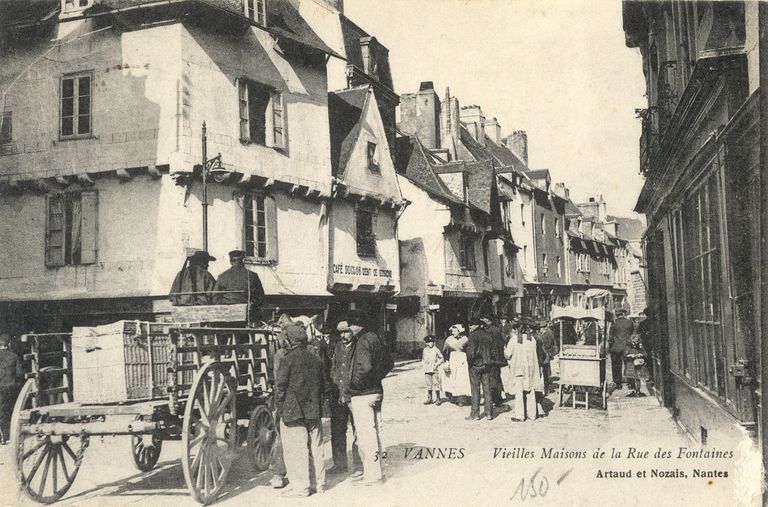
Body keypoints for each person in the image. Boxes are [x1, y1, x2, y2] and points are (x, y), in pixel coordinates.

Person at [333, 312, 393, 486]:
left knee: (366, 437)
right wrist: (376, 379)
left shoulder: (362, 341)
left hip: (362, 394)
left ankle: (373, 476)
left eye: (350, 326)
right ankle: (379, 471)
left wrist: (353, 387)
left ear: (356, 325)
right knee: (376, 433)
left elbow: (364, 368)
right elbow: (389, 363)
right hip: (376, 391)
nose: (349, 330)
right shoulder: (375, 338)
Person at [274, 321, 326, 497]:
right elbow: (323, 385)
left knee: (296, 450)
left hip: (293, 412)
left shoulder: (287, 359)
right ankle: (319, 484)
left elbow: (280, 387)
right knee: (316, 448)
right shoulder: (316, 359)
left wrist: (280, 408)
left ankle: (301, 488)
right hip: (313, 411)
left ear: (289, 340)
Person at [505, 319, 543, 422]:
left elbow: (507, 355)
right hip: (530, 369)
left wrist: (505, 350)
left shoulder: (514, 340)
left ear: (517, 329)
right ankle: (532, 414)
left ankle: (520, 415)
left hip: (518, 369)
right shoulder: (532, 340)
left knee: (519, 392)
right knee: (530, 391)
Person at [213, 250, 265, 322]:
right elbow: (260, 296)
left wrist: (224, 309)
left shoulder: (222, 276)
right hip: (247, 316)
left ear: (231, 261)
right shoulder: (252, 275)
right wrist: (252, 307)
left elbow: (215, 297)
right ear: (243, 261)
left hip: (227, 315)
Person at [465, 317, 497, 421]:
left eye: (471, 325)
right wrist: (490, 361)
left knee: (475, 390)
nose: (470, 327)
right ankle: (489, 414)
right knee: (487, 390)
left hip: (475, 366)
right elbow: (494, 351)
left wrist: (470, 364)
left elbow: (470, 353)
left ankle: (475, 414)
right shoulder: (488, 335)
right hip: (487, 365)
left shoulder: (473, 336)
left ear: (476, 326)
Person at [441, 325, 471, 406]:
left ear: (459, 331)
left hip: (462, 359)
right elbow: (444, 351)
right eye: (452, 331)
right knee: (453, 378)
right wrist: (446, 361)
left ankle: (462, 399)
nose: (453, 333)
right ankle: (454, 398)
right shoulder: (449, 340)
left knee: (462, 379)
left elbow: (469, 350)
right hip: (453, 359)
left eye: (455, 331)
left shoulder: (465, 339)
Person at [0, 333, 21, 443]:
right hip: (9, 388)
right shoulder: (14, 356)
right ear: (8, 344)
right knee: (7, 410)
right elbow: (19, 374)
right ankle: (7, 436)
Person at [609, 308, 634, 389]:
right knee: (629, 364)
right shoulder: (629, 322)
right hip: (627, 347)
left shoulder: (614, 323)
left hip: (616, 347)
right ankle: (631, 383)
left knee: (616, 366)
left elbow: (610, 337)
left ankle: (618, 383)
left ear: (616, 315)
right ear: (623, 314)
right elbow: (632, 334)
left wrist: (610, 346)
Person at [623, 333, 649, 397]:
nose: (635, 344)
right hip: (631, 364)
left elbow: (645, 354)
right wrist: (630, 355)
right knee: (632, 378)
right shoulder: (628, 347)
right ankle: (634, 390)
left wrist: (641, 354)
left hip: (638, 365)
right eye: (633, 342)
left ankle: (638, 391)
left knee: (638, 378)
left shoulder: (640, 347)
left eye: (636, 342)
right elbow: (625, 355)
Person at [536, 321, 559, 394]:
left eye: (541, 328)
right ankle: (546, 388)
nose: (540, 330)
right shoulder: (545, 333)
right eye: (540, 328)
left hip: (545, 355)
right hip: (544, 355)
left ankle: (546, 389)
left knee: (546, 372)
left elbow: (548, 345)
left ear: (545, 328)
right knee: (545, 371)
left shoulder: (548, 334)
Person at [421, 335, 444, 405]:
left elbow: (442, 358)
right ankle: (430, 398)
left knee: (436, 383)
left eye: (432, 342)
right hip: (427, 369)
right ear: (426, 343)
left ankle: (438, 398)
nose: (430, 344)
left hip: (434, 369)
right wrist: (423, 364)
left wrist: (437, 364)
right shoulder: (425, 350)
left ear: (434, 342)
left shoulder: (436, 349)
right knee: (428, 384)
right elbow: (423, 358)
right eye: (428, 342)